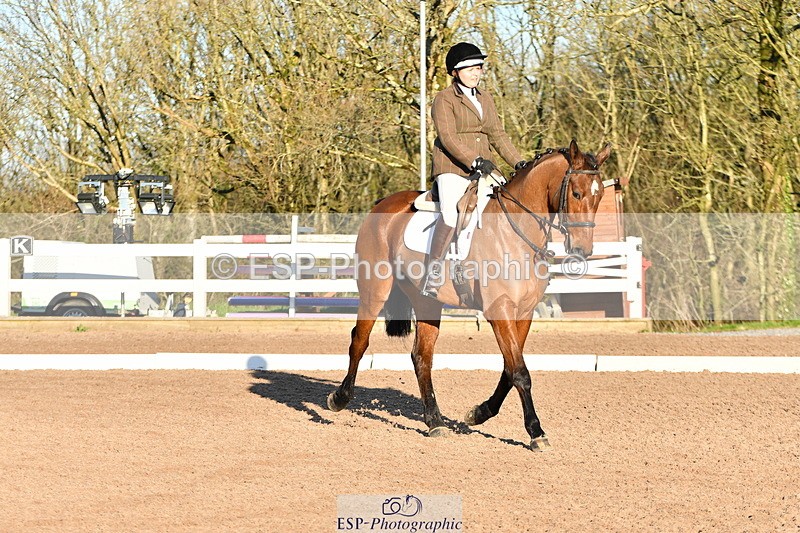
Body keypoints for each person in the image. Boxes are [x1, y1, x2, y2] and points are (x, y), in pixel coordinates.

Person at [421, 42, 527, 298]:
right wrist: (475, 160)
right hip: (453, 168)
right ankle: (433, 272)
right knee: (451, 214)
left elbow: (497, 134)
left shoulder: (485, 98)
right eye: (470, 69)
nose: (476, 73)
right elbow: (447, 137)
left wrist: (520, 163)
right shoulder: (444, 99)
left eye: (478, 67)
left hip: (486, 168)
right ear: (455, 72)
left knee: (508, 206)